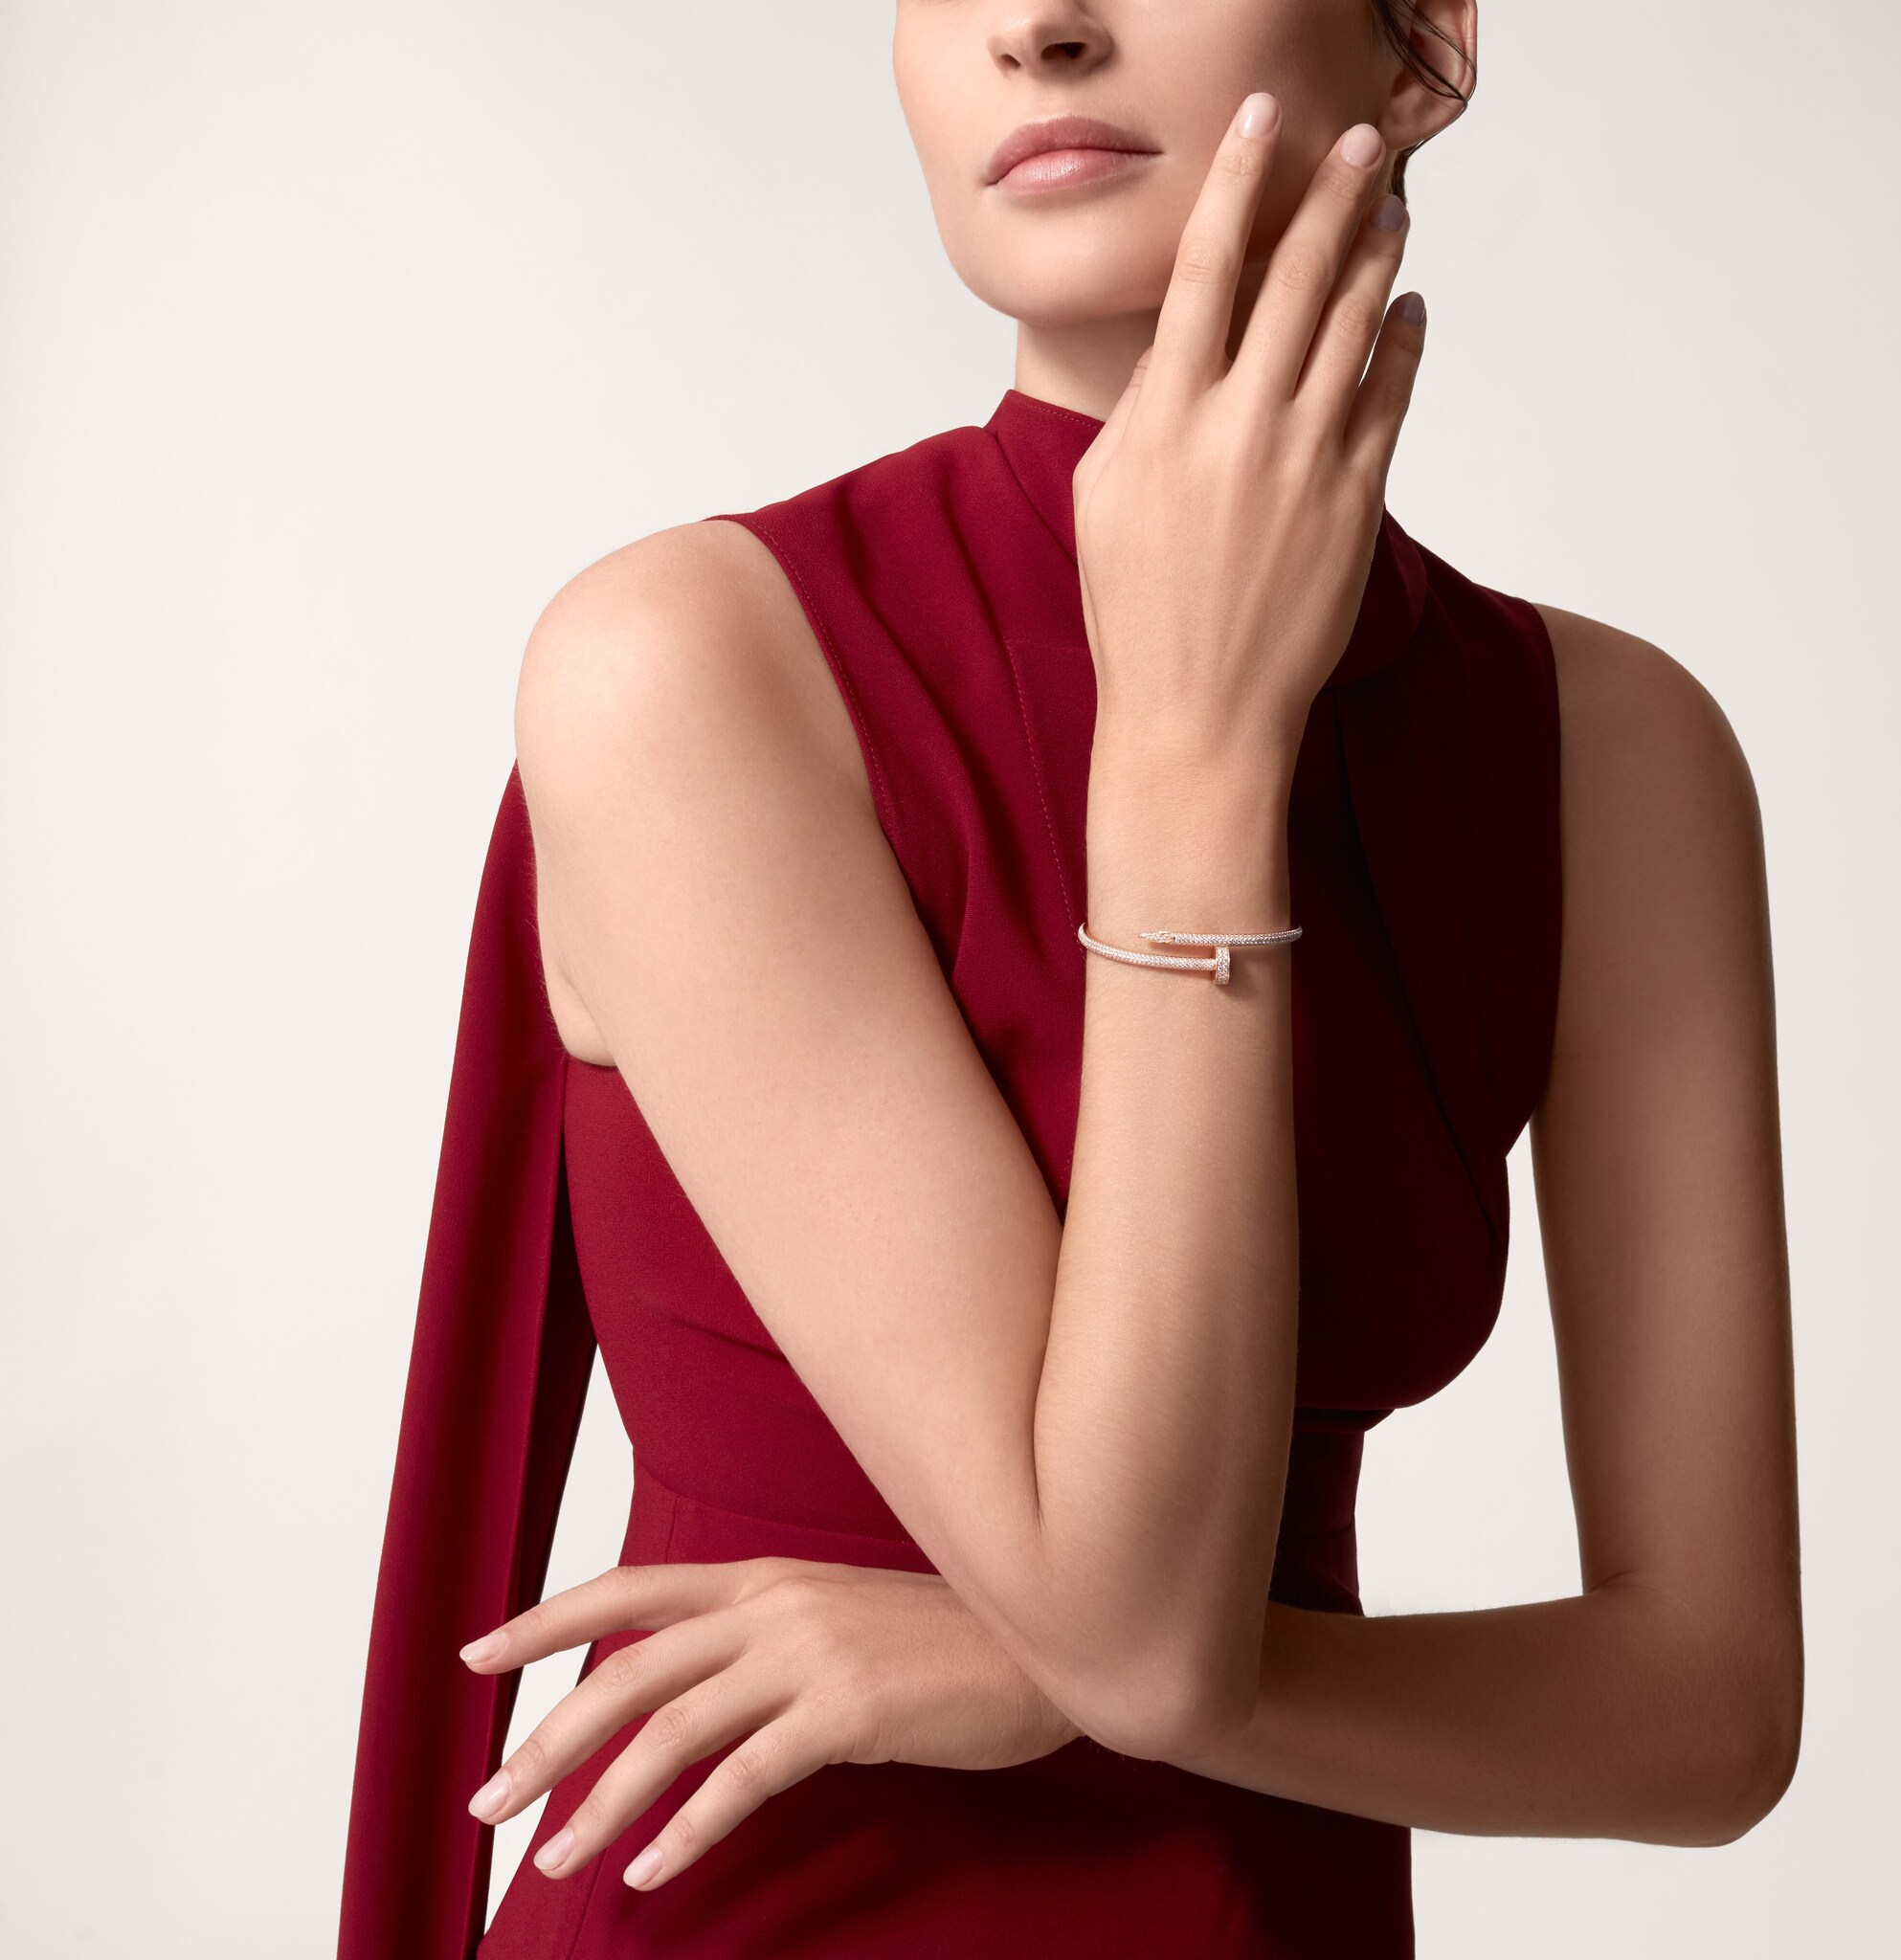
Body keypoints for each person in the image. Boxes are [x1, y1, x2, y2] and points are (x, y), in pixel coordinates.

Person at [338, 5, 1803, 1955]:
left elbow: (1708, 1718)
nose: (1038, 26)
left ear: (1425, 40)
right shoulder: (688, 667)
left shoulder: (1608, 754)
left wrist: (1031, 1667)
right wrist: (1194, 750)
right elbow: (1135, 1634)